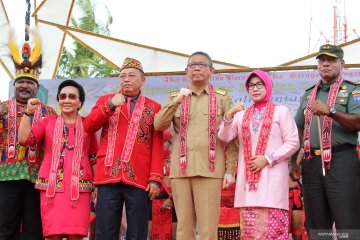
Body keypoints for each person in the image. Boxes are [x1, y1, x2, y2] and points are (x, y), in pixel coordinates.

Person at [154, 51, 238, 240]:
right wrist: (175, 103)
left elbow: (232, 136)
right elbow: (159, 125)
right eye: (192, 65)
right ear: (186, 71)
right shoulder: (176, 96)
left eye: (201, 64)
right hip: (180, 171)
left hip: (210, 170)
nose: (197, 68)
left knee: (208, 229)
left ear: (212, 70)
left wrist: (230, 170)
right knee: (184, 228)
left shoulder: (222, 98)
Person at [83, 57, 164, 240]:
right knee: (105, 230)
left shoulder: (153, 107)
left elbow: (157, 145)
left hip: (139, 176)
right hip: (107, 174)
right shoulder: (106, 100)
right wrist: (110, 105)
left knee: (137, 231)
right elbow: (88, 126)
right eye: (122, 76)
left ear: (142, 80)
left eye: (131, 75)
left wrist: (156, 178)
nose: (126, 79)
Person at [218, 69, 300, 239]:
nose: (255, 88)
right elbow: (224, 136)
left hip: (273, 182)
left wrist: (268, 158)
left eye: (259, 84)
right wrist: (229, 115)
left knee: (274, 233)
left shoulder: (281, 112)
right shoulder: (241, 116)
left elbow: (293, 142)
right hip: (248, 187)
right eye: (251, 85)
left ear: (268, 86)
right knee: (250, 234)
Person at [290, 44, 360, 236]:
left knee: (347, 220)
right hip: (311, 163)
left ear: (342, 63)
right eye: (322, 61)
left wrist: (331, 111)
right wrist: (293, 161)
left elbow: (358, 123)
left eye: (331, 60)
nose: (325, 64)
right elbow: (299, 127)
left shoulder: (353, 91)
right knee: (317, 223)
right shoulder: (308, 94)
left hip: (341, 160)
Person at [18, 80, 98, 239]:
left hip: (80, 187)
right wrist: (28, 113)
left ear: (80, 101)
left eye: (72, 96)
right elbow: (24, 139)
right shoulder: (48, 122)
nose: (66, 100)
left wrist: (97, 186)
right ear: (58, 100)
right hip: (52, 188)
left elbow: (94, 157)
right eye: (62, 96)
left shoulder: (88, 125)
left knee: (75, 235)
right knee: (52, 235)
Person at [0, 29, 56, 239]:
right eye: (20, 82)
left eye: (29, 83)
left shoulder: (49, 113)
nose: (24, 85)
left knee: (34, 230)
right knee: (5, 228)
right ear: (14, 85)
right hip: (6, 177)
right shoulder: (2, 109)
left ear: (37, 87)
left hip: (37, 178)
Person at [148, 130, 177, 240]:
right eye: (160, 141)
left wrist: (171, 198)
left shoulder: (175, 161)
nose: (161, 144)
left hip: (172, 200)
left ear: (169, 143)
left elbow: (178, 183)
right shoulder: (150, 161)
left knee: (173, 235)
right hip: (153, 201)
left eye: (164, 141)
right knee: (151, 234)